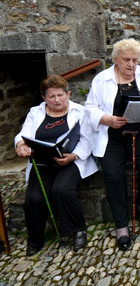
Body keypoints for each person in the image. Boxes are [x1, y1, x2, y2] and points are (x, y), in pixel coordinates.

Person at [85, 39, 140, 251]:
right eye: (126, 60)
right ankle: (121, 225)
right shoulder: (102, 80)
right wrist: (107, 119)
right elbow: (89, 109)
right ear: (115, 60)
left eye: (134, 60)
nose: (131, 65)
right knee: (112, 174)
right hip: (112, 136)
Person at [15, 75, 98, 256]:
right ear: (44, 98)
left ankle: (78, 230)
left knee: (62, 190)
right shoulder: (35, 112)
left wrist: (74, 155)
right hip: (42, 163)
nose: (57, 100)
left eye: (60, 95)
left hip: (69, 160)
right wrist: (21, 145)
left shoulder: (80, 111)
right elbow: (23, 135)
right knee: (33, 199)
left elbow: (87, 139)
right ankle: (35, 239)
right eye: (51, 96)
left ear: (68, 94)